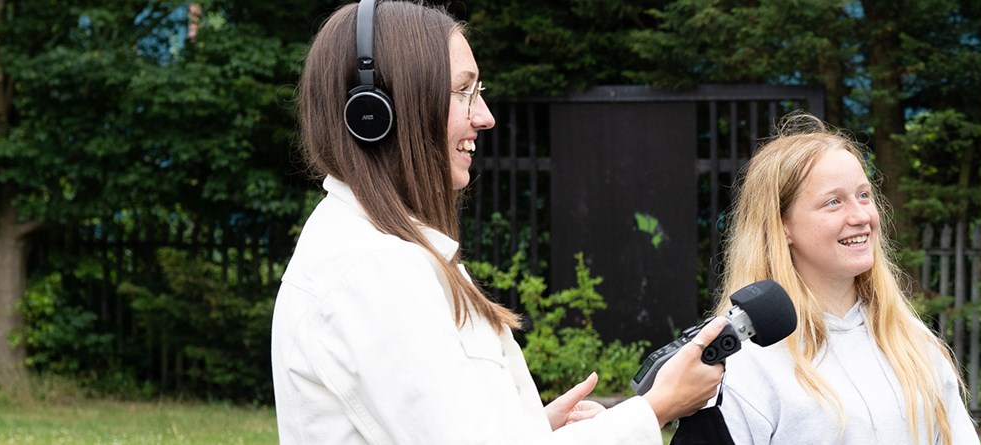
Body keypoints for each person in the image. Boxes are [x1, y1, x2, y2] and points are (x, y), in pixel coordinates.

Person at [270, 1, 725, 442]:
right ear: (377, 111)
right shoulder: (374, 269)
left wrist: (533, 427)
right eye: (462, 90)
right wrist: (656, 407)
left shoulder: (385, 249)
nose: (484, 117)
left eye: (479, 91)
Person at [705, 113, 978, 444]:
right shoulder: (744, 360)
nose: (861, 216)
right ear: (782, 226)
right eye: (834, 202)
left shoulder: (913, 344)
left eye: (863, 196)